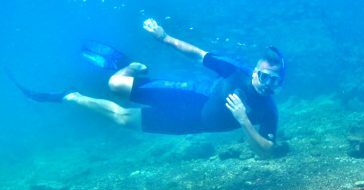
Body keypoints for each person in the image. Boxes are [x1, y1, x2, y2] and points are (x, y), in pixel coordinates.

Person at [14, 18, 285, 156]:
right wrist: (164, 37)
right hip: (186, 92)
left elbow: (266, 153)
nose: (268, 84)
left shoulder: (268, 111)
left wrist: (244, 122)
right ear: (255, 71)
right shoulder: (234, 70)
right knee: (115, 84)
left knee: (121, 118)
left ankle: (71, 97)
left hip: (186, 123)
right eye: (264, 76)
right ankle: (129, 65)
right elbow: (197, 54)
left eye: (275, 80)